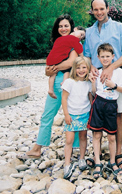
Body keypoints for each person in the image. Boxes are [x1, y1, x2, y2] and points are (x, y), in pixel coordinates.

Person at [83, 0, 122, 171]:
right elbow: (88, 55)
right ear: (92, 11)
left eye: (101, 9)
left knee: (118, 115)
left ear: (107, 8)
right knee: (96, 114)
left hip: (116, 76)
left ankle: (118, 153)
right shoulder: (90, 32)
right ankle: (97, 154)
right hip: (97, 79)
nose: (99, 12)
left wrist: (111, 68)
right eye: (95, 10)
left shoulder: (120, 28)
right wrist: (91, 68)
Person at [21, 14, 80, 159]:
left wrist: (52, 68)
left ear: (71, 27)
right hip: (56, 82)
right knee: (47, 114)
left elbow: (71, 62)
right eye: (60, 26)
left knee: (73, 114)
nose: (63, 28)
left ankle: (76, 147)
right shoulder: (58, 42)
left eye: (66, 26)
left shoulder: (73, 42)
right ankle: (38, 147)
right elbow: (50, 65)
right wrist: (49, 70)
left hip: (69, 81)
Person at [87, 43, 122, 178]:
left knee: (111, 135)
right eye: (102, 56)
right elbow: (94, 92)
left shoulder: (119, 72)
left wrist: (114, 86)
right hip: (98, 104)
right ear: (98, 58)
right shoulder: (97, 72)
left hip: (111, 105)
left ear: (113, 57)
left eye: (107, 56)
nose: (105, 59)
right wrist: (92, 82)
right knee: (96, 134)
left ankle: (112, 161)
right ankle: (98, 162)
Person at [62, 56, 92, 179]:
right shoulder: (69, 82)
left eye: (84, 67)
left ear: (88, 69)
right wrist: (66, 114)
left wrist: (91, 114)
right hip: (72, 115)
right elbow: (64, 99)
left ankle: (82, 158)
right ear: (74, 69)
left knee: (83, 137)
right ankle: (67, 163)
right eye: (78, 67)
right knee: (69, 139)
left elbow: (90, 98)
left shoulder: (88, 83)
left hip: (84, 114)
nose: (81, 70)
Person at [46, 26, 86, 99]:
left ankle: (50, 89)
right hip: (59, 59)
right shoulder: (74, 40)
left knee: (52, 74)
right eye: (81, 34)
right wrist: (83, 58)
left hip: (51, 59)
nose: (81, 37)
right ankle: (64, 82)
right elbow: (79, 50)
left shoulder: (60, 38)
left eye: (82, 37)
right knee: (67, 71)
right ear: (75, 29)